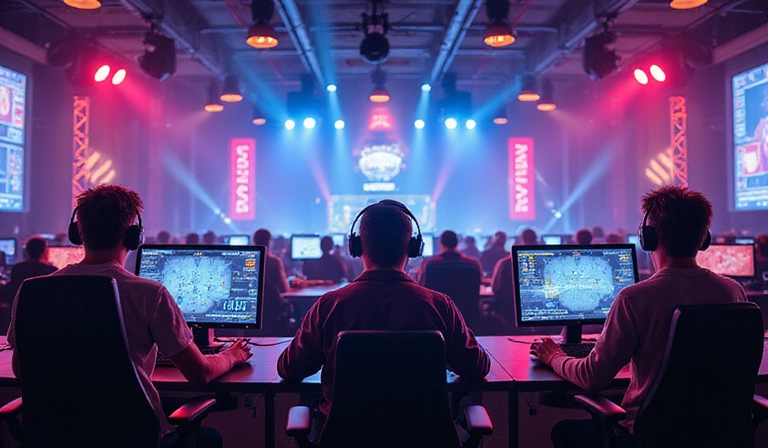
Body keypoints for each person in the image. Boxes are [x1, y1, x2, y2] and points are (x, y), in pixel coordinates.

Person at [6, 185, 251, 448]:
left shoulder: (32, 290)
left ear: (78, 232)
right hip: (132, 438)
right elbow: (199, 373)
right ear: (134, 235)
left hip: (53, 438)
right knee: (209, 439)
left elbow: (21, 370)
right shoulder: (149, 294)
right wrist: (231, 355)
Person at [531, 186, 747, 448]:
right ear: (704, 239)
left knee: (564, 432)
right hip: (717, 435)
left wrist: (554, 356)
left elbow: (592, 378)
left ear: (648, 238)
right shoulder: (733, 292)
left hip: (648, 436)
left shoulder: (634, 299)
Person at [277, 201, 490, 438]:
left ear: (357, 247)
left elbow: (289, 369)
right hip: (424, 440)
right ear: (412, 248)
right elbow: (476, 367)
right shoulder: (439, 306)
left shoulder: (329, 306)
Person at [0, 237, 57, 334]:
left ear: (26, 251)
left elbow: (12, 290)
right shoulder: (51, 270)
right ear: (44, 251)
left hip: (19, 315)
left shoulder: (17, 268)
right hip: (44, 317)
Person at [417, 230, 482, 285]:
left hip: (437, 300)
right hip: (466, 300)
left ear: (441, 243)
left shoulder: (428, 263)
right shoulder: (474, 264)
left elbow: (420, 285)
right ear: (457, 243)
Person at [252, 228, 290, 293]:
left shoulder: (247, 261)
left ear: (253, 241)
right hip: (273, 302)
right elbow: (284, 289)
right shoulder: (275, 262)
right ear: (269, 242)